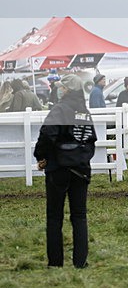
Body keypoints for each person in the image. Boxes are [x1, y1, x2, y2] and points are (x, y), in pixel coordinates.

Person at [33, 74, 96, 268]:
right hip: (80, 170)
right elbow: (91, 140)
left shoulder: (59, 110)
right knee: (79, 216)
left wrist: (41, 156)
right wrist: (81, 160)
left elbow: (47, 134)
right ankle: (80, 262)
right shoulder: (84, 112)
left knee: (54, 217)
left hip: (58, 170)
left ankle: (55, 263)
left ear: (67, 89)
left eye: (62, 87)